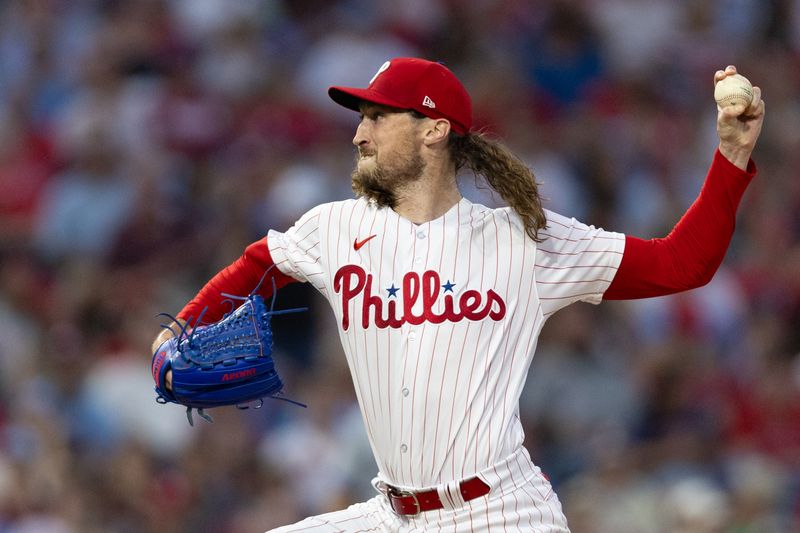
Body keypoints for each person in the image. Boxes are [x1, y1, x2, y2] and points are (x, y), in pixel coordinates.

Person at [151, 58, 764, 532]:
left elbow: (683, 264)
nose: (359, 134)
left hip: (500, 512)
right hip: (393, 513)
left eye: (377, 117)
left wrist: (732, 156)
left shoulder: (523, 241)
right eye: (360, 118)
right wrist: (177, 330)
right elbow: (255, 267)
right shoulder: (334, 229)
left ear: (435, 130)